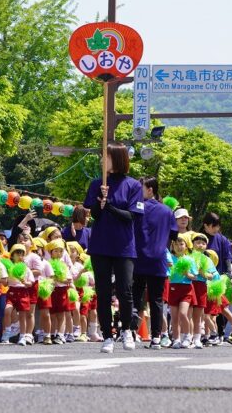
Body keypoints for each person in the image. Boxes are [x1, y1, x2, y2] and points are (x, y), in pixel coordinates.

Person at [83, 142, 144, 354]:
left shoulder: (134, 185)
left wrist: (109, 204)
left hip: (124, 246)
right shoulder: (96, 184)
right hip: (100, 244)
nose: (102, 160)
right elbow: (95, 216)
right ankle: (107, 335)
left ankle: (127, 329)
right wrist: (100, 202)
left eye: (105, 156)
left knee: (125, 290)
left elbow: (131, 217)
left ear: (116, 158)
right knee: (102, 291)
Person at [131, 177, 177, 350]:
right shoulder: (166, 211)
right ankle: (156, 337)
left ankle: (131, 332)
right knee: (157, 300)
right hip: (158, 259)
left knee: (136, 296)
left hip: (138, 258)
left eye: (141, 188)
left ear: (150, 189)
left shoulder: (137, 207)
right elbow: (174, 235)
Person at [167, 234, 197, 349]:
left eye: (181, 244)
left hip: (186, 288)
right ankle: (176, 339)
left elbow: (194, 276)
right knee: (174, 317)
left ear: (186, 246)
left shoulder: (189, 259)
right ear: (172, 245)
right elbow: (168, 272)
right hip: (173, 288)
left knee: (183, 314)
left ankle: (187, 336)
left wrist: (187, 274)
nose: (179, 247)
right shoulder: (170, 258)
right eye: (176, 244)